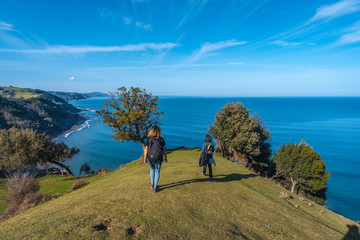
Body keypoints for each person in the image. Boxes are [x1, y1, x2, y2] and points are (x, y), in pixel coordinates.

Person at [144, 126, 167, 192]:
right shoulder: (161, 139)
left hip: (150, 157)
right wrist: (165, 157)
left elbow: (146, 149)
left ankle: (152, 184)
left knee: (152, 169)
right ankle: (155, 187)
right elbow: (163, 149)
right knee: (157, 171)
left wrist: (145, 158)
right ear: (158, 131)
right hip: (158, 157)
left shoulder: (148, 138)